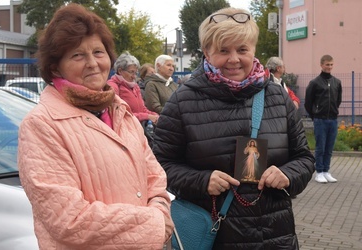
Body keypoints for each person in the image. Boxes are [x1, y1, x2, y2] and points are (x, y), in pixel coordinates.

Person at [152, 7, 315, 249]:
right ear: (207, 52)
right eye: (223, 50)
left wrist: (288, 175)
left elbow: (304, 157)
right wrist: (201, 180)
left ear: (253, 49)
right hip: (214, 235)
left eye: (242, 49)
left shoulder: (276, 97)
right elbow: (158, 166)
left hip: (274, 235)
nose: (234, 59)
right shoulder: (183, 101)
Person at [17, 4, 173, 250]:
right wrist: (154, 223)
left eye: (98, 52)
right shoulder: (42, 125)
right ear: (56, 67)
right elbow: (68, 220)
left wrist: (161, 208)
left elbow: (154, 177)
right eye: (78, 55)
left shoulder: (120, 111)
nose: (92, 63)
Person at [304, 54, 342, 183]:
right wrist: (314, 115)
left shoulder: (337, 82)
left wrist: (333, 111)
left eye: (331, 65)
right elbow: (308, 103)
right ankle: (319, 172)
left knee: (329, 147)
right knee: (321, 147)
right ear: (321, 65)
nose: (329, 67)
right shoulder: (315, 83)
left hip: (332, 119)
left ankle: (326, 171)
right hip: (320, 120)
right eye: (327, 64)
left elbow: (338, 100)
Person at [107, 52, 159, 124]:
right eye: (131, 72)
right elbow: (118, 115)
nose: (134, 76)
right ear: (120, 71)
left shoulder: (134, 86)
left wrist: (155, 115)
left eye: (135, 73)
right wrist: (147, 116)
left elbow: (142, 109)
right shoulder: (113, 86)